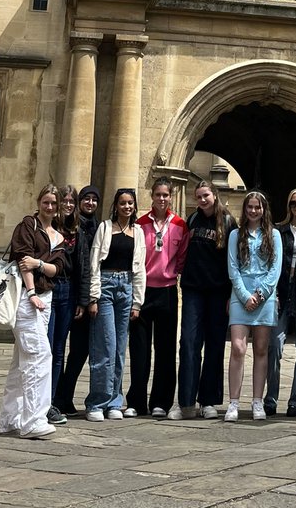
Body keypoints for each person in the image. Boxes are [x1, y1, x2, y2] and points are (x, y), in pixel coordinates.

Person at [0, 184, 67, 439]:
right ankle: (33, 421)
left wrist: (39, 263)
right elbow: (22, 260)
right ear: (38, 202)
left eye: (54, 203)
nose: (49, 207)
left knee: (21, 361)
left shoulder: (58, 235)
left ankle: (10, 418)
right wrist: (31, 293)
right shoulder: (28, 225)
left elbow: (57, 269)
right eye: (46, 202)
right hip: (29, 299)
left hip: (45, 298)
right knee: (39, 355)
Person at [127, 178, 189, 418]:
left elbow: (182, 258)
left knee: (165, 349)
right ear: (151, 196)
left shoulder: (180, 225)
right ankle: (136, 401)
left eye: (166, 195)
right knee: (140, 349)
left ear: (171, 197)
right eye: (158, 195)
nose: (161, 199)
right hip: (143, 291)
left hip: (167, 290)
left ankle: (161, 401)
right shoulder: (140, 224)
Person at [177, 179, 236, 420]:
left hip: (218, 291)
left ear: (215, 195)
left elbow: (234, 260)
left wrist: (232, 294)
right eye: (198, 196)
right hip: (193, 289)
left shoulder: (229, 222)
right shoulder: (191, 220)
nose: (202, 200)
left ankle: (209, 400)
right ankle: (186, 401)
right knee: (188, 343)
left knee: (214, 346)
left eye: (206, 196)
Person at [85, 188, 146, 422]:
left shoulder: (138, 232)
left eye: (130, 203)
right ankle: (96, 402)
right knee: (104, 346)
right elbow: (94, 264)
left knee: (120, 349)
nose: (127, 207)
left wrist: (137, 302)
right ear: (116, 205)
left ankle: (114, 401)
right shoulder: (105, 227)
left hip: (127, 288)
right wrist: (93, 296)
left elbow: (140, 269)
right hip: (106, 286)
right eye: (123, 203)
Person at [225, 190, 283, 422]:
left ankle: (257, 401)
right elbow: (233, 268)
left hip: (265, 297)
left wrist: (259, 295)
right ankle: (233, 402)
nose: (253, 210)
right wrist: (244, 295)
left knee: (261, 349)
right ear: (245, 209)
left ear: (263, 210)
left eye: (257, 207)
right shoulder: (234, 235)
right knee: (238, 348)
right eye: (249, 207)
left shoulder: (274, 235)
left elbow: (275, 269)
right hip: (241, 296)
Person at [265, 187, 296, 418]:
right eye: (294, 203)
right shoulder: (279, 231)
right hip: (282, 293)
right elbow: (271, 263)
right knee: (275, 346)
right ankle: (270, 399)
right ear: (289, 206)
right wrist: (272, 294)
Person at [54, 184, 99, 416]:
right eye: (86, 199)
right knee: (57, 348)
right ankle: (55, 397)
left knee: (80, 350)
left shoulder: (99, 227)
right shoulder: (68, 226)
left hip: (80, 295)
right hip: (61, 292)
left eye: (94, 199)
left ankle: (64, 394)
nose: (89, 203)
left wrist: (85, 300)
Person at [45, 185, 78, 425]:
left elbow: (82, 266)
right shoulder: (46, 227)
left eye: (70, 201)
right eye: (63, 201)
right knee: (43, 348)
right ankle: (40, 400)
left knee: (58, 349)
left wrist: (83, 299)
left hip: (68, 290)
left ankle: (52, 402)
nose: (67, 205)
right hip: (47, 288)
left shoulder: (78, 231)